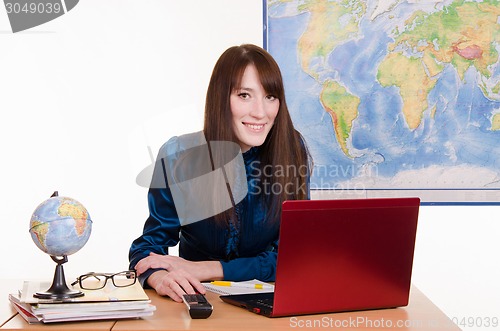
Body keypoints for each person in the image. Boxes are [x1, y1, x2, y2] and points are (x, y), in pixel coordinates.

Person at [129, 44, 311, 302]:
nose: (261, 112)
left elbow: (296, 255)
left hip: (269, 304)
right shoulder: (178, 155)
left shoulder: (292, 150)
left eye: (270, 96)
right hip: (199, 302)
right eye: (245, 95)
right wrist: (161, 278)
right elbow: (148, 248)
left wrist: (206, 268)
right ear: (220, 98)